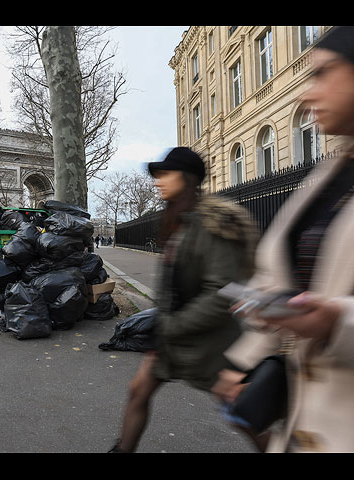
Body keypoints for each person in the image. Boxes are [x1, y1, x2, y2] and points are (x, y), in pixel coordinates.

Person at [213, 26, 354, 453]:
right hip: (307, 424)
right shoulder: (327, 175)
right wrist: (245, 361)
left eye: (323, 73)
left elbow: (325, 307)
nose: (305, 94)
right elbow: (284, 279)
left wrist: (336, 320)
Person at [108, 147, 257, 453]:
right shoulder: (180, 220)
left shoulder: (213, 225)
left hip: (211, 342)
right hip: (174, 339)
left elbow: (223, 291)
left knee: (243, 415)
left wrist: (173, 325)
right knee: (138, 390)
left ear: (187, 178)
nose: (157, 182)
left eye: (166, 174)